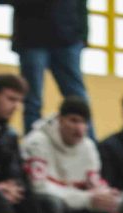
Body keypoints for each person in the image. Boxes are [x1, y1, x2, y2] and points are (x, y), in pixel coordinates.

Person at [9, 0, 88, 130]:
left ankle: (88, 141)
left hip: (66, 38)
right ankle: (32, 141)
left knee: (78, 99)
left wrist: (83, 35)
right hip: (32, 37)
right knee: (33, 100)